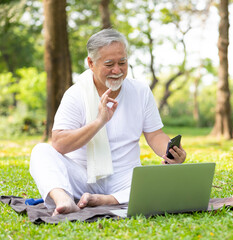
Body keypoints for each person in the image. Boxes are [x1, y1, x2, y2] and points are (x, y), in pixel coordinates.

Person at [30, 29, 186, 216]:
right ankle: (63, 200)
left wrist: (170, 153)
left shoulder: (141, 91)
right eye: (109, 64)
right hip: (82, 178)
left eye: (122, 62)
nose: (117, 70)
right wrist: (99, 121)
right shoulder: (76, 94)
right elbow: (59, 144)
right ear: (91, 63)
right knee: (41, 152)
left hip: (126, 180)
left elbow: (155, 135)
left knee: (162, 180)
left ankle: (106, 200)